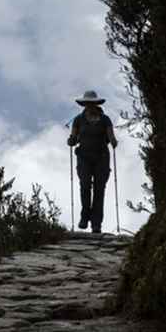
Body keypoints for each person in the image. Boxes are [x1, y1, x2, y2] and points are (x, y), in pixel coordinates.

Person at [67, 90, 118, 233]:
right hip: (84, 157)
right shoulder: (78, 120)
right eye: (87, 103)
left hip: (101, 157)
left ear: (96, 104)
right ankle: (85, 217)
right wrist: (71, 141)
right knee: (84, 186)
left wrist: (113, 141)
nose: (89, 106)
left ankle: (96, 224)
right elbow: (74, 137)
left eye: (91, 103)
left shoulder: (105, 120)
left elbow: (110, 136)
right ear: (84, 104)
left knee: (99, 190)